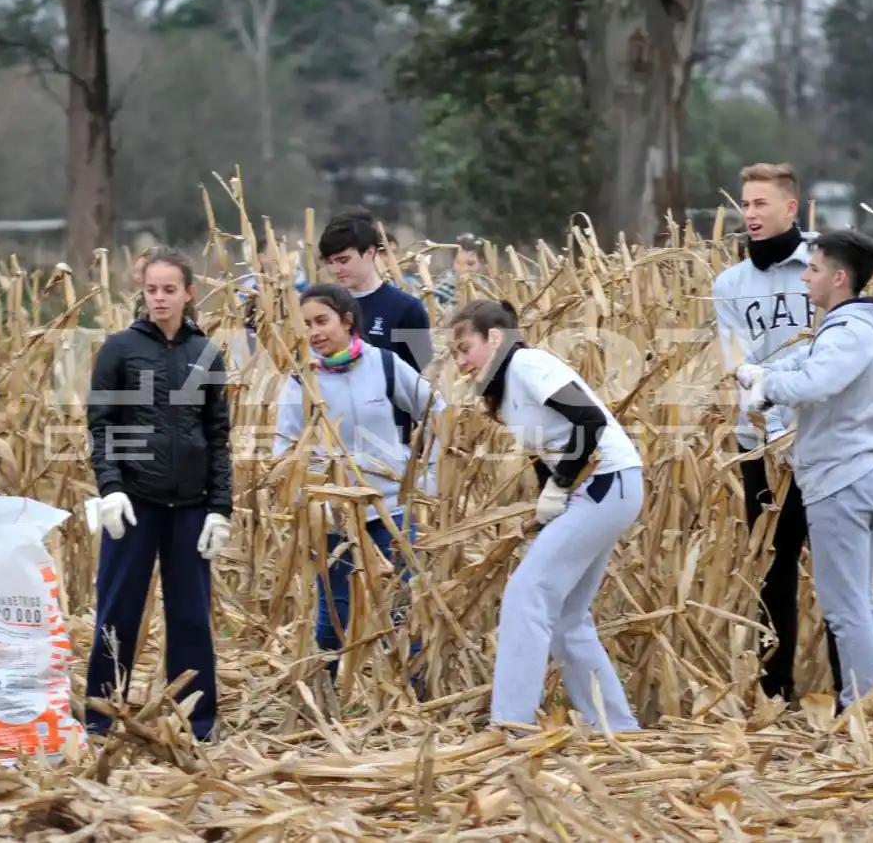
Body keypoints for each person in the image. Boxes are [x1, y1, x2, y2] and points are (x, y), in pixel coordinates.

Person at [448, 299, 644, 734]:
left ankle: (511, 726)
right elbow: (549, 449)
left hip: (608, 481)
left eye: (465, 348)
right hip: (603, 488)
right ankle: (617, 727)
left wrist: (560, 487)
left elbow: (589, 421)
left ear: (494, 339)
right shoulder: (508, 387)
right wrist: (550, 502)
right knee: (568, 616)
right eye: (455, 354)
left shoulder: (528, 364)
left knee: (526, 593)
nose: (460, 362)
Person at [737, 229, 873, 712]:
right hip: (859, 476)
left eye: (813, 269)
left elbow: (818, 380)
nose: (805, 277)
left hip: (841, 481)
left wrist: (765, 389)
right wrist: (764, 374)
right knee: (860, 604)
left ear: (839, 277)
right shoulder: (849, 329)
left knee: (846, 610)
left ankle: (860, 713)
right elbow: (803, 363)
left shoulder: (849, 333)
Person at [84, 246, 232, 744]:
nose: (160, 298)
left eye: (170, 289)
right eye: (152, 289)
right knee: (118, 610)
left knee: (190, 615)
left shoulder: (205, 354)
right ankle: (101, 718)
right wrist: (111, 489)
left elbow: (218, 436)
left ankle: (197, 721)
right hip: (135, 502)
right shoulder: (120, 349)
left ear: (189, 293)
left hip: (189, 506)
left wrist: (220, 508)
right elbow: (101, 427)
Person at [712, 162, 841, 705]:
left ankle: (851, 693)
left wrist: (793, 411)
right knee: (773, 566)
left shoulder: (826, 264)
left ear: (791, 208)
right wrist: (771, 427)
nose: (750, 214)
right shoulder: (730, 284)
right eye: (746, 204)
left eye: (761, 203)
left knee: (836, 565)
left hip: (823, 440)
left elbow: (839, 349)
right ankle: (776, 689)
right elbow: (740, 364)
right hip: (760, 444)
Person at [272, 283, 441, 681]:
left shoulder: (385, 365)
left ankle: (414, 696)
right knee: (336, 610)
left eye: (322, 321)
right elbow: (284, 448)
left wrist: (427, 475)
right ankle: (326, 694)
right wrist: (304, 493)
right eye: (307, 324)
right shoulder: (301, 383)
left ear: (347, 321)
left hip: (390, 509)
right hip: (332, 516)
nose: (314, 332)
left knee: (402, 604)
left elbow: (437, 412)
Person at [317, 207, 433, 376]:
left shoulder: (407, 309)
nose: (335, 269)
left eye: (343, 260)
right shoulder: (322, 308)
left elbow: (422, 375)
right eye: (330, 262)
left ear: (370, 252)